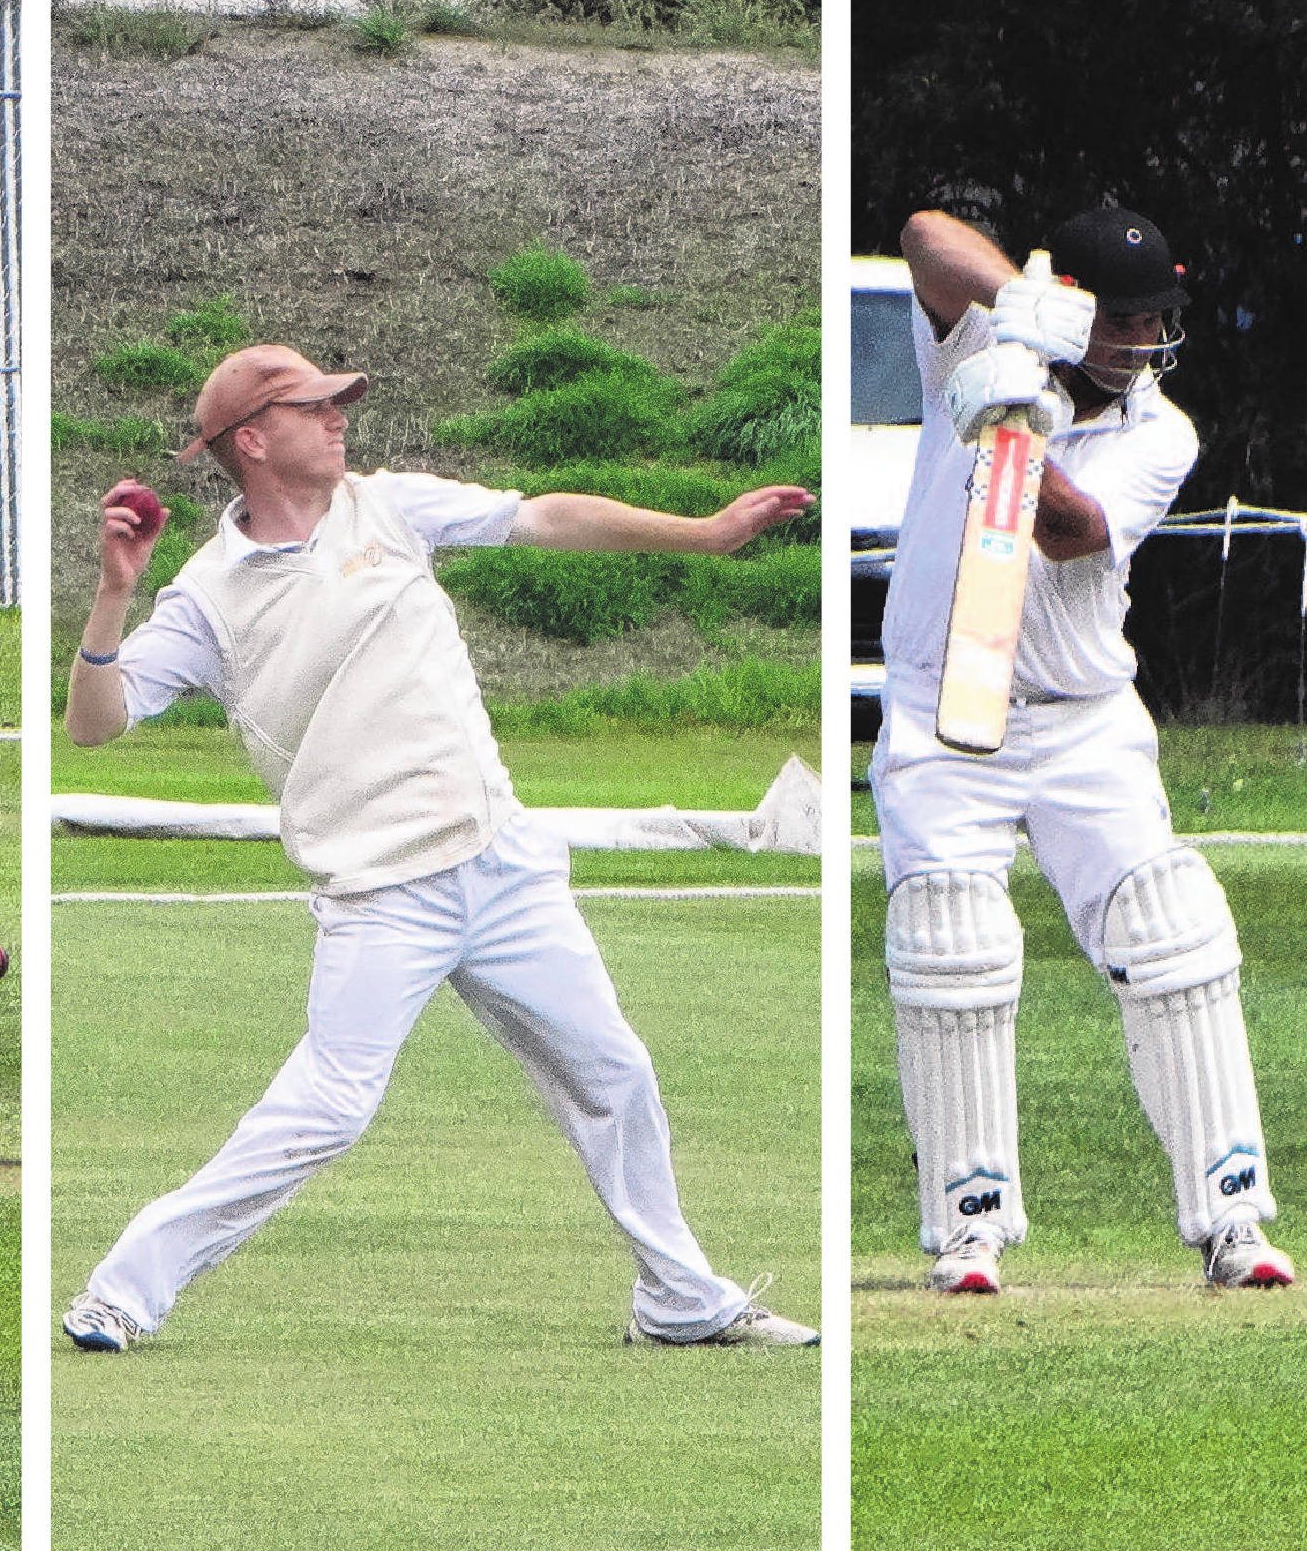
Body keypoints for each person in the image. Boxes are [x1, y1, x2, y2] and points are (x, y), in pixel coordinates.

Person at [58, 343, 819, 1351]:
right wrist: (113, 593)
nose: (339, 417)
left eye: (338, 403)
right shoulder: (207, 594)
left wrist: (705, 532)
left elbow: (541, 514)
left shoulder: (391, 505)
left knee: (614, 1072)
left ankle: (678, 1298)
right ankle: (121, 1287)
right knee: (327, 1107)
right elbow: (94, 724)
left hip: (500, 861)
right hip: (378, 892)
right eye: (314, 406)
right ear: (251, 439)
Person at [873, 206, 1291, 1293]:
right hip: (941, 708)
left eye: (1161, 315)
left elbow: (1063, 531)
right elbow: (922, 235)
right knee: (950, 942)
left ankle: (1231, 1218)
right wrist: (1019, 317)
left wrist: (1012, 429)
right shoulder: (981, 345)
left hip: (1080, 715)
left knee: (1171, 930)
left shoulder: (1164, 431)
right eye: (1131, 317)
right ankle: (970, 1227)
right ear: (1083, 313)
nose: (1150, 334)